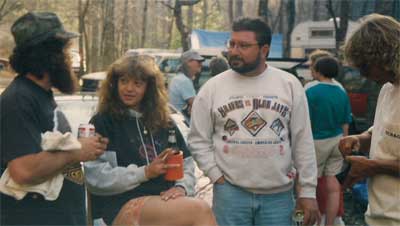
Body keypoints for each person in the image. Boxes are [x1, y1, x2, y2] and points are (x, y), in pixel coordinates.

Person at [188, 17, 320, 226]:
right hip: (230, 194)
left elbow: (302, 140)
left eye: (244, 45)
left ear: (264, 50)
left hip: (279, 197)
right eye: (232, 44)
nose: (234, 51)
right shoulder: (212, 88)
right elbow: (197, 139)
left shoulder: (289, 84)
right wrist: (216, 176)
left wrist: (308, 191)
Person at [84, 55, 217, 226]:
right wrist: (144, 172)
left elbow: (186, 163)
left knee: (197, 210)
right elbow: (95, 177)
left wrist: (181, 187)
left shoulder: (164, 123)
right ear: (114, 84)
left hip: (164, 202)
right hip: (120, 207)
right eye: (123, 81)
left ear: (149, 88)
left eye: (137, 83)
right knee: (200, 210)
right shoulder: (103, 122)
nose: (129, 88)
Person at [0, 12, 107, 225]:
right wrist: (76, 150)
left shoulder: (41, 95)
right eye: (64, 50)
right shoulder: (18, 99)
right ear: (47, 54)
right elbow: (23, 170)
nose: (68, 56)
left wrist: (85, 148)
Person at [340, 13, 400, 226]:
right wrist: (361, 138)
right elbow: (384, 131)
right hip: (378, 215)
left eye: (365, 67)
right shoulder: (387, 88)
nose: (364, 75)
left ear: (383, 56)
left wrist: (373, 166)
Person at [305, 56, 352, 226]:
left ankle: (314, 222)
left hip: (316, 141)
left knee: (311, 185)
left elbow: (304, 121)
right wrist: (345, 143)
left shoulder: (310, 90)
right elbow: (346, 121)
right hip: (338, 139)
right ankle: (330, 223)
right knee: (332, 184)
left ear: (317, 71)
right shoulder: (341, 91)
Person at [168, 50, 204, 116]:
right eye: (198, 61)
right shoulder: (184, 81)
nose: (201, 64)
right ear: (188, 62)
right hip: (182, 123)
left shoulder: (179, 78)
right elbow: (198, 106)